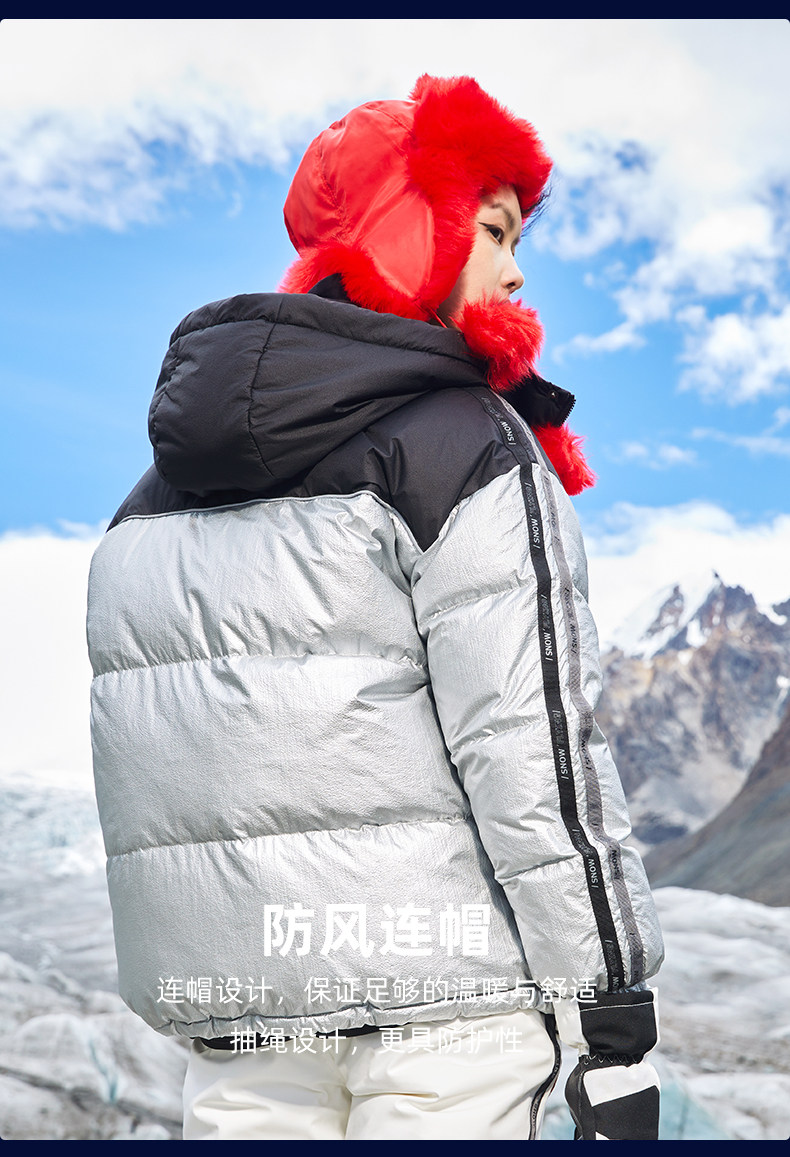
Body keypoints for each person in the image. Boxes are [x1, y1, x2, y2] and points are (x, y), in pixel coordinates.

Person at [86, 74, 664, 1141]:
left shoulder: (148, 503)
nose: (516, 267)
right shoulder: (465, 447)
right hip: (450, 1020)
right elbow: (532, 744)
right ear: (413, 230)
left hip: (245, 1030)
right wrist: (610, 1010)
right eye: (493, 230)